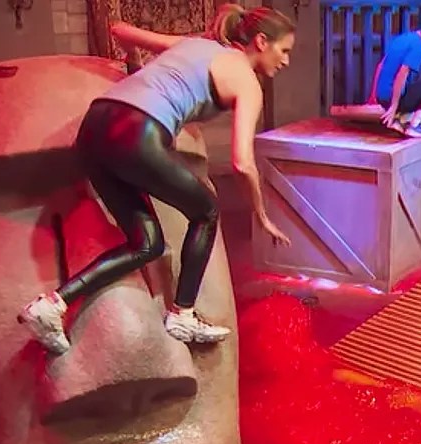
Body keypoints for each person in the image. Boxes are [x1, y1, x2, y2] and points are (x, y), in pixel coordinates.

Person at [18, 4, 296, 354]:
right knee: (206, 212)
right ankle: (183, 314)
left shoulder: (195, 45)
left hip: (95, 126)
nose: (286, 61)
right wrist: (261, 214)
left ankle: (50, 306)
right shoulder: (247, 82)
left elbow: (121, 30)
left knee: (145, 243)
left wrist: (134, 63)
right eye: (284, 50)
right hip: (137, 135)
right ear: (261, 42)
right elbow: (242, 162)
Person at [368, 11, 421, 137]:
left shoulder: (401, 39)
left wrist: (373, 96)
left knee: (415, 84)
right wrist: (393, 106)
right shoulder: (418, 45)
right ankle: (415, 125)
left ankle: (401, 118)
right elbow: (401, 74)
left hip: (381, 97)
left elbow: (381, 65)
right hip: (391, 99)